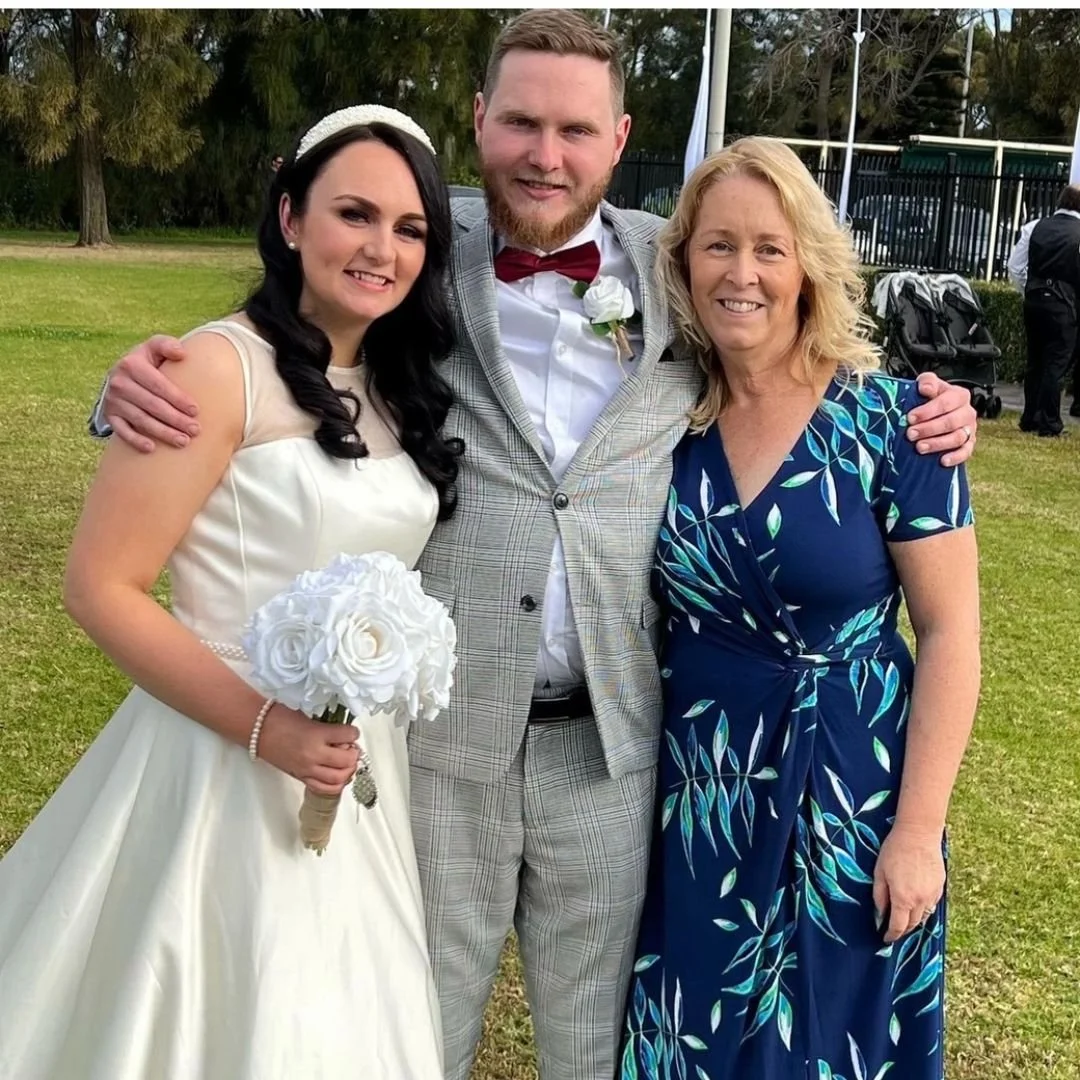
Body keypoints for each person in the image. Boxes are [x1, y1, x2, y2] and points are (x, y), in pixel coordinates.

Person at [86, 12, 979, 1078]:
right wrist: (135, 391)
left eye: (575, 129)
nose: (545, 155)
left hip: (613, 752)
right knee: (411, 1032)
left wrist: (931, 409)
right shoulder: (419, 249)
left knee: (597, 1050)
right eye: (520, 123)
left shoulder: (678, 263)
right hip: (440, 745)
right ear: (479, 121)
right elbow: (293, 329)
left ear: (619, 138)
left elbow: (788, 338)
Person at [0, 105, 460, 1079]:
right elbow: (101, 586)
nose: (382, 249)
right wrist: (268, 730)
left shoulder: (396, 384)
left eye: (410, 227)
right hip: (217, 765)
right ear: (290, 217)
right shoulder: (215, 369)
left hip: (355, 773)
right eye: (354, 214)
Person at [620, 137, 980, 1080]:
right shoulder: (662, 417)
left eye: (769, 249)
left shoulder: (897, 424)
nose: (741, 274)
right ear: (683, 262)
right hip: (703, 790)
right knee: (695, 1028)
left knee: (830, 1039)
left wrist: (917, 832)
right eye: (718, 245)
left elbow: (950, 634)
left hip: (850, 792)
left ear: (808, 267)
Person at [1007, 196, 1080, 424]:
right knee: (1055, 363)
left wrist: (1029, 290)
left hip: (1034, 301)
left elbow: (1015, 267)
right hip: (1065, 303)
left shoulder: (1034, 227)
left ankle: (1030, 416)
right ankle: (1048, 420)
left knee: (1035, 360)